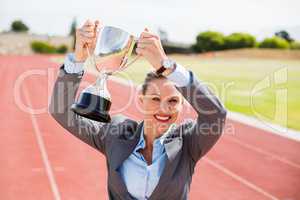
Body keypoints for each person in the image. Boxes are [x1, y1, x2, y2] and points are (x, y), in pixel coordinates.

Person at [49, 19, 227, 200]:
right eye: (155, 99)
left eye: (173, 101)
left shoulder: (188, 142)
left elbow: (216, 115)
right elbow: (61, 111)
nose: (164, 108)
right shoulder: (116, 134)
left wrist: (167, 67)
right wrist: (78, 59)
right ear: (141, 101)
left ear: (183, 105)